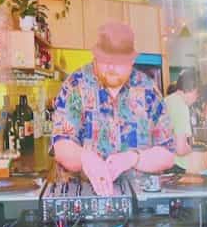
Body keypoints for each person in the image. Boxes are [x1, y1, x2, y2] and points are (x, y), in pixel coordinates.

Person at [52, 21, 175, 196]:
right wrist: (85, 158)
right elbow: (61, 146)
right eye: (104, 60)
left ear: (132, 60)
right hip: (83, 200)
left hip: (139, 202)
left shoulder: (148, 89)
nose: (110, 67)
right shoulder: (76, 84)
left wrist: (134, 158)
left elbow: (167, 154)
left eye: (118, 62)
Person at [164, 69, 200, 169]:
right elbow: (180, 149)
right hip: (175, 166)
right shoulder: (181, 107)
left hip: (163, 165)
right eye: (197, 94)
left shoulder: (167, 100)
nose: (196, 98)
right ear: (192, 90)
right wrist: (191, 148)